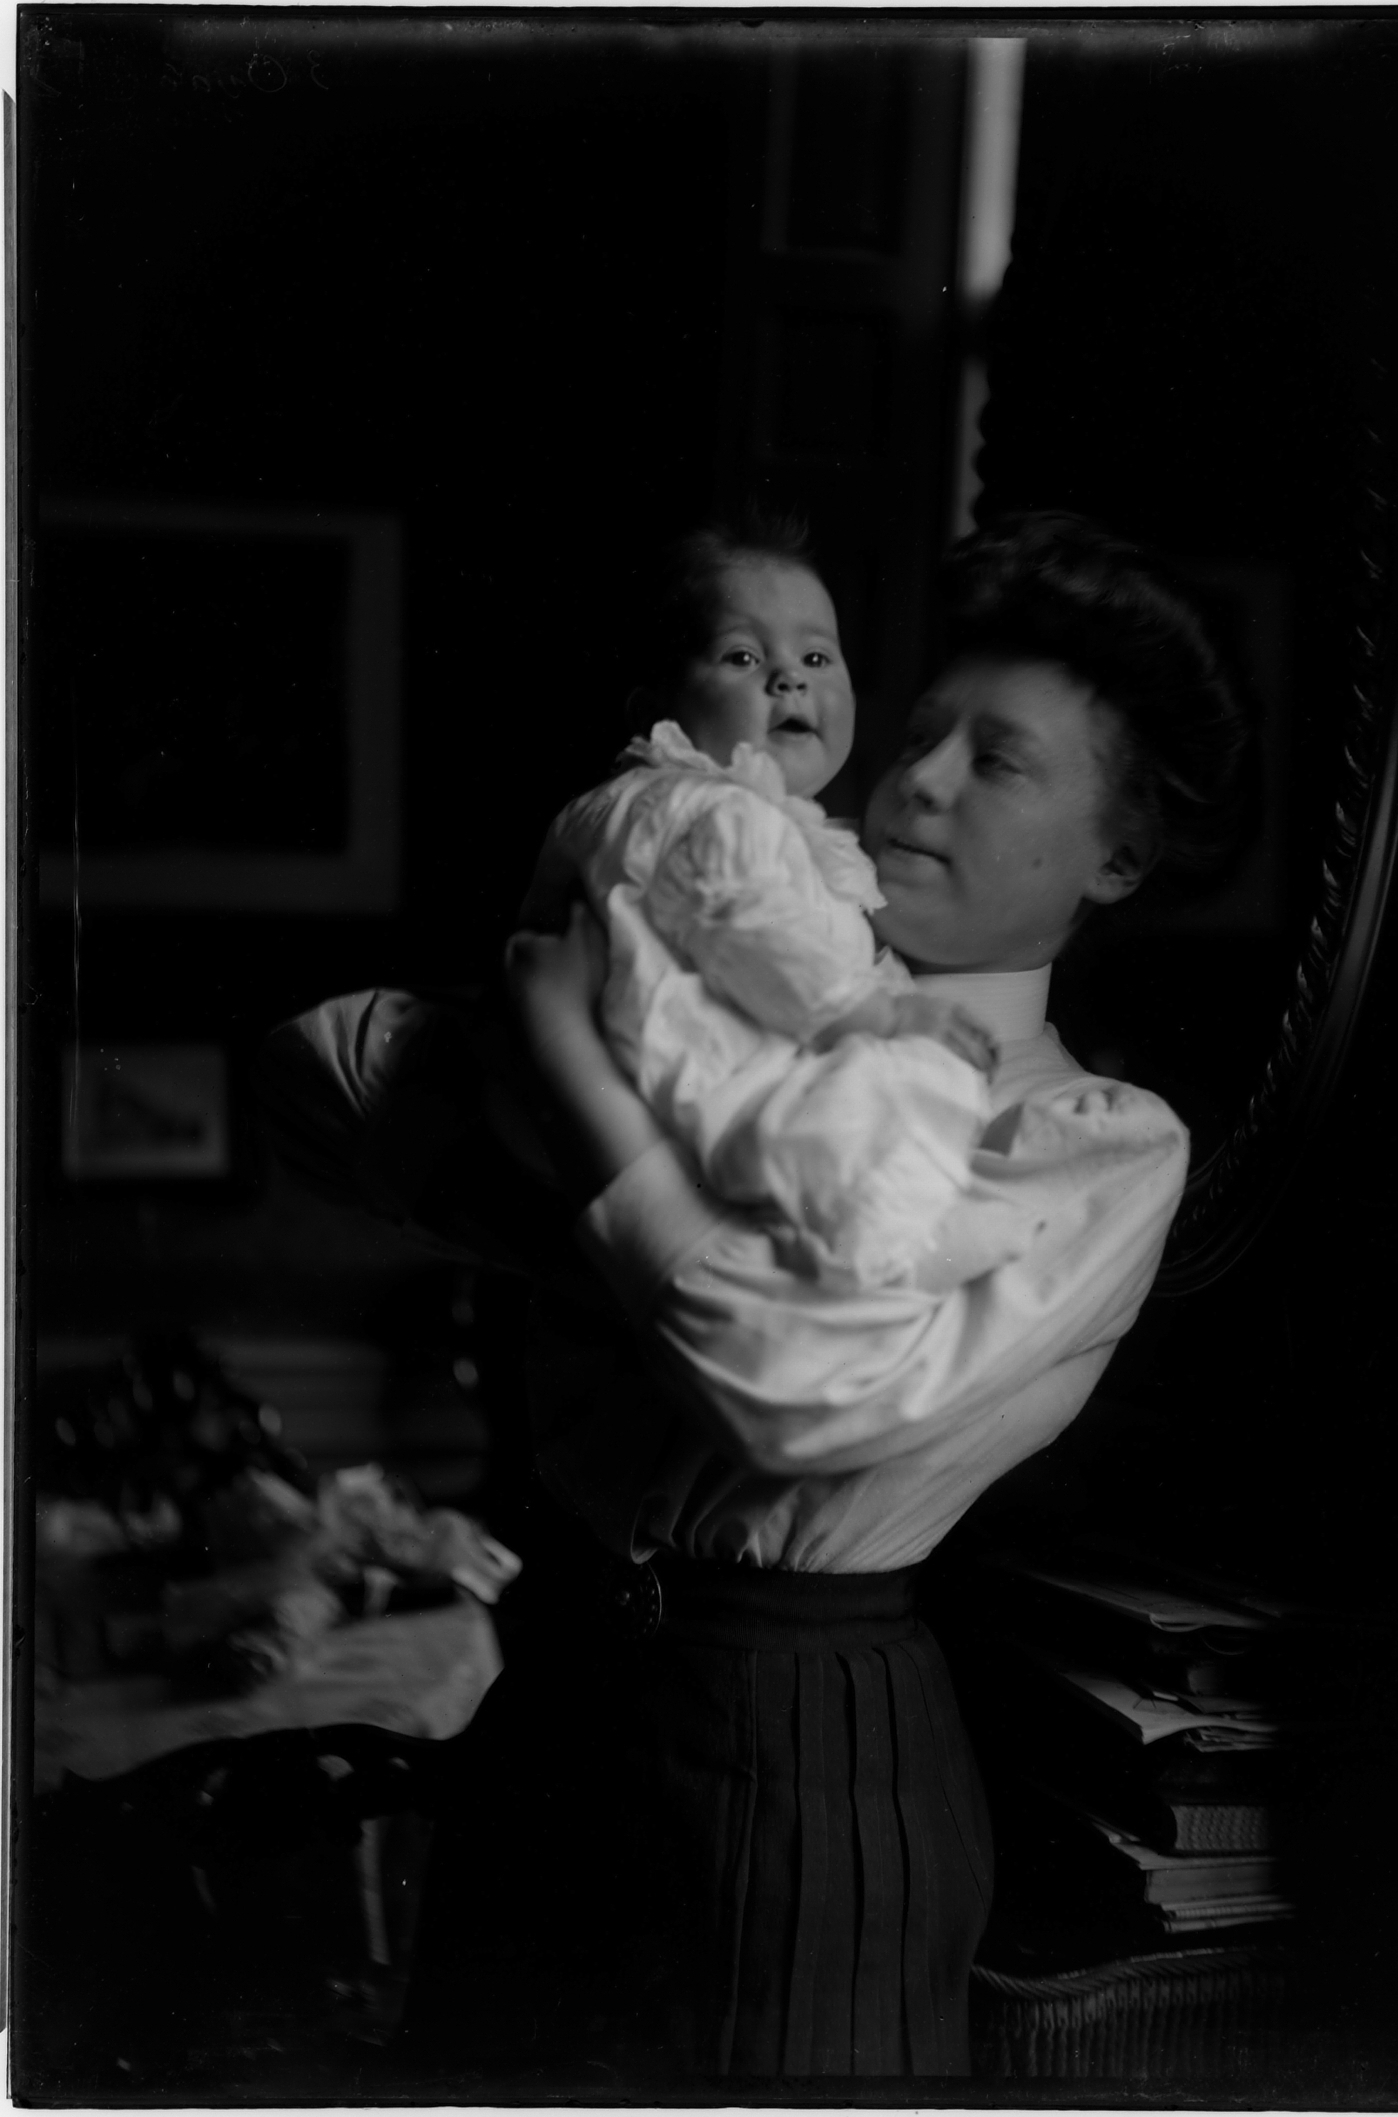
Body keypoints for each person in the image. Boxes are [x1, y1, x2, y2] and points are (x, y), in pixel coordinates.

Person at [254, 510, 1254, 2091]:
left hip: (801, 1763)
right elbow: (315, 1075)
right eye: (916, 734)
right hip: (550, 1703)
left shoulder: (1084, 1143)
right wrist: (674, 1201)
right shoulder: (698, 949)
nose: (915, 783)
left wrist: (578, 1093)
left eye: (995, 762)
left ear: (1115, 857)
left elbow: (802, 1397)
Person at [527, 520, 1003, 1291]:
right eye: (743, 657)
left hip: (660, 1086)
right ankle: (892, 1249)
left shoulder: (707, 811)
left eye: (816, 657)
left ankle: (895, 1239)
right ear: (657, 715)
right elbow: (752, 931)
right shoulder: (716, 811)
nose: (789, 680)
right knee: (890, 1102)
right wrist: (881, 1013)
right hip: (703, 1079)